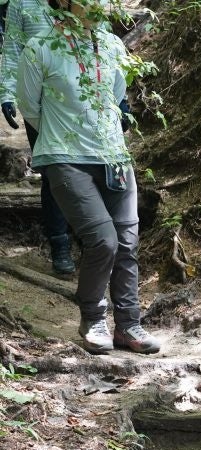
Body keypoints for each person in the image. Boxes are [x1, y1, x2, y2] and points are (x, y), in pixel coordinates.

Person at [17, 0, 158, 354]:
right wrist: (63, 136)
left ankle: (129, 325)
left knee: (127, 242)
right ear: (63, 2)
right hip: (65, 157)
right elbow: (30, 107)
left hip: (113, 156)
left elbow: (115, 96)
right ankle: (93, 318)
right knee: (103, 240)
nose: (99, 4)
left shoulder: (110, 43)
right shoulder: (40, 47)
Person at [2, 0, 76, 275]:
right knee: (53, 171)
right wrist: (7, 92)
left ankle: (89, 238)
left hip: (78, 100)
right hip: (37, 103)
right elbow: (12, 48)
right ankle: (60, 244)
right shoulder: (21, 3)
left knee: (85, 168)